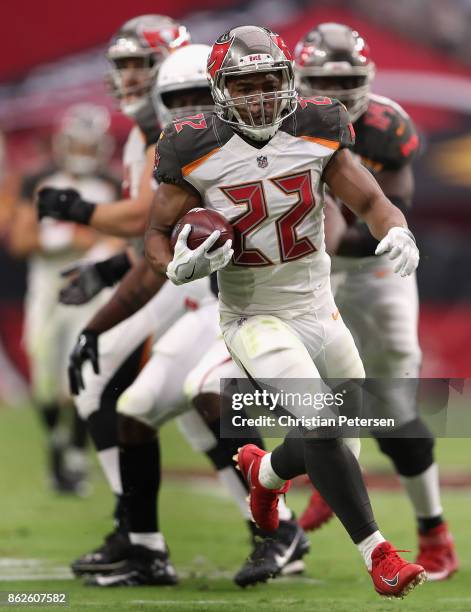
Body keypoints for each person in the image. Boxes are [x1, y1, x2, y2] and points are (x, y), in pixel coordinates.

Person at [145, 25, 426, 599]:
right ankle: (380, 554)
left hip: (321, 307)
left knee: (350, 423)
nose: (260, 95)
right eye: (245, 85)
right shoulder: (191, 145)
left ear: (288, 79)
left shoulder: (318, 124)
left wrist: (396, 229)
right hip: (255, 313)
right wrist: (174, 268)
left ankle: (264, 472)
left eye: (270, 81)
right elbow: (155, 231)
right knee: (322, 421)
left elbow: (370, 199)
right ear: (221, 91)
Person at [63, 43, 307, 588]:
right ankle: (148, 548)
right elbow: (155, 259)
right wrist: (98, 323)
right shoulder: (182, 161)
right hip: (210, 309)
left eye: (199, 95)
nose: (188, 109)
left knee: (225, 402)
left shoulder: (267, 147)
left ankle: (286, 527)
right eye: (177, 99)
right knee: (137, 409)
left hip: (269, 307)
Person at [293, 22, 458, 582]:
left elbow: (394, 209)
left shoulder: (385, 125)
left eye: (345, 80)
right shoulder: (271, 126)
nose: (335, 94)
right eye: (320, 80)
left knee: (394, 403)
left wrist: (340, 234)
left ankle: (434, 530)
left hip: (375, 270)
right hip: (300, 276)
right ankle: (327, 471)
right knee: (312, 394)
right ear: (298, 77)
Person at [36, 14, 191, 581]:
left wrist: (78, 211)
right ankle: (142, 535)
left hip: (227, 284)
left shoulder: (182, 129)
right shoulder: (145, 133)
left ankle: (140, 534)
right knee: (189, 408)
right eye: (121, 66)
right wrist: (106, 271)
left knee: (340, 410)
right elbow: (157, 236)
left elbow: (153, 218)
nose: (128, 78)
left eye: (139, 65)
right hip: (189, 278)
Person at [8, 103, 119, 494]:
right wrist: (66, 238)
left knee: (84, 373)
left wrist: (95, 247)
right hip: (46, 289)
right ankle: (57, 442)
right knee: (43, 378)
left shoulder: (110, 184)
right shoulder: (38, 179)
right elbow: (19, 240)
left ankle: (74, 451)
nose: (84, 154)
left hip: (89, 288)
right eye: (79, 145)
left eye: (91, 146)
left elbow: (116, 238)